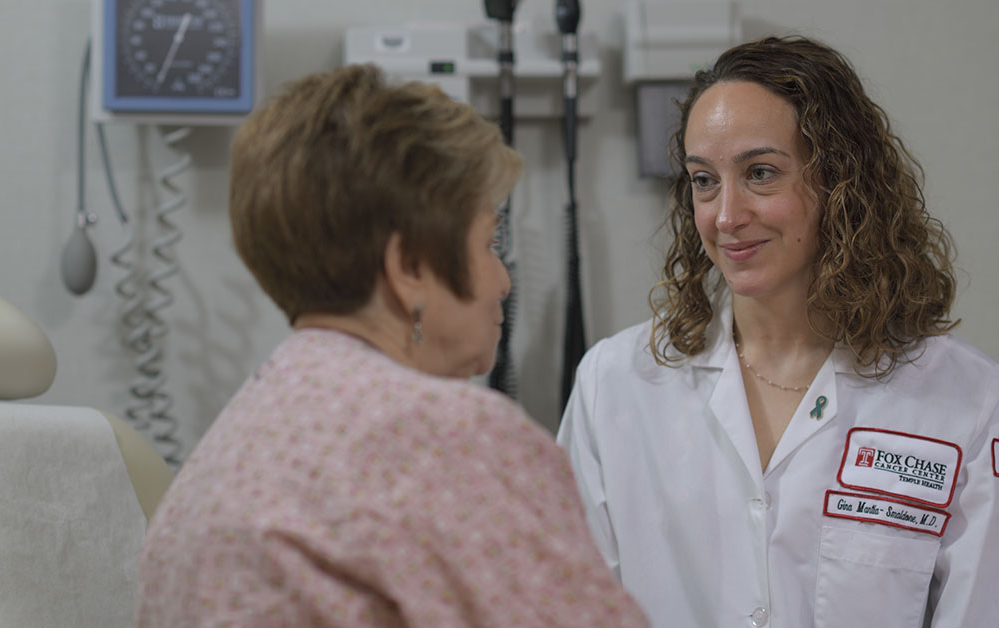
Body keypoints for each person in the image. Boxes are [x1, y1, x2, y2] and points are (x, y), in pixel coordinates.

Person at [557, 36, 999, 627]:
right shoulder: (615, 384)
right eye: (703, 180)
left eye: (760, 173)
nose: (725, 216)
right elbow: (567, 608)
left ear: (841, 184)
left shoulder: (964, 400)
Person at [136, 64, 648, 627]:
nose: (503, 280)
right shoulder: (448, 437)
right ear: (408, 267)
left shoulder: (220, 455)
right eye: (488, 243)